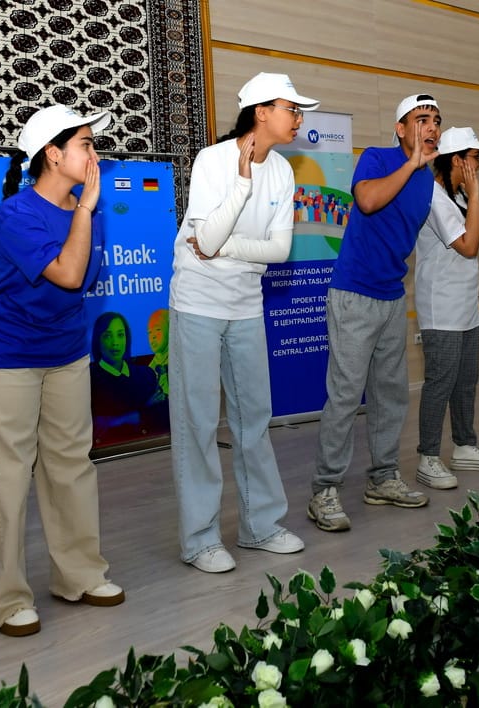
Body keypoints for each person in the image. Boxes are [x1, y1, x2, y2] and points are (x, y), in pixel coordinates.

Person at [0, 104, 124, 638]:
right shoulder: (16, 214)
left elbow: (81, 286)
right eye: (85, 144)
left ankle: (80, 575)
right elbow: (67, 273)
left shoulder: (90, 212)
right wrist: (84, 211)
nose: (94, 155)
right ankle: (8, 600)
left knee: (71, 464)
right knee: (9, 477)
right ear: (53, 155)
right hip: (11, 359)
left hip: (68, 354)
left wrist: (85, 211)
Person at [168, 72, 319, 573]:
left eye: (298, 110)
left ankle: (259, 526)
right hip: (198, 302)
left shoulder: (284, 170)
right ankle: (200, 538)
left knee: (254, 417)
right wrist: (241, 183)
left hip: (246, 304)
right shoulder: (213, 161)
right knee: (197, 422)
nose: (298, 118)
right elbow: (204, 243)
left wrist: (230, 250)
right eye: (290, 108)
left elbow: (276, 251)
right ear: (260, 112)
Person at [308, 94, 440, 532]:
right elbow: (366, 201)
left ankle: (383, 477)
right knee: (346, 394)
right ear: (401, 128)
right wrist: (411, 165)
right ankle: (324, 490)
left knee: (390, 392)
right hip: (353, 293)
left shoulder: (429, 177)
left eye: (436, 120)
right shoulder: (378, 158)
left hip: (391, 295)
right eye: (422, 119)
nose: (432, 127)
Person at [414, 127, 479, 490]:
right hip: (442, 307)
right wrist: (478, 194)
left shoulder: (460, 199)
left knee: (466, 380)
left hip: (466, 304)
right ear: (457, 161)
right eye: (475, 158)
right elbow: (468, 246)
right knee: (440, 382)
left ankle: (465, 445)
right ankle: (428, 456)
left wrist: (473, 197)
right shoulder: (435, 197)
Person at [89, 311, 163, 444]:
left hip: (150, 448)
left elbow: (161, 414)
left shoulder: (146, 375)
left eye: (120, 335)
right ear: (97, 340)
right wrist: (144, 411)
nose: (115, 343)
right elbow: (98, 425)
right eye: (107, 336)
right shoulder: (89, 379)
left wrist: (117, 420)